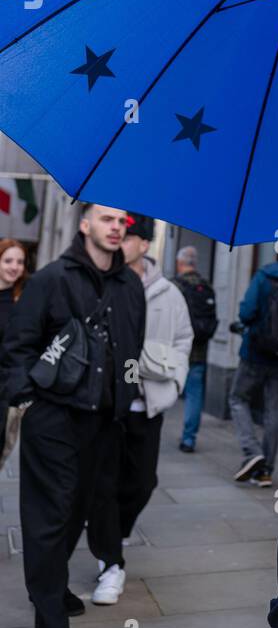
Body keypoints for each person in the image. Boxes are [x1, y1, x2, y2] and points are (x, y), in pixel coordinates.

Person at [0, 204, 145, 628]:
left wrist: (127, 400)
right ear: (84, 225)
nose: (116, 226)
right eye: (106, 219)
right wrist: (30, 397)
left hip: (104, 422)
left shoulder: (131, 286)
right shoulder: (50, 279)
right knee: (48, 515)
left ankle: (52, 585)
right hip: (54, 419)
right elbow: (17, 348)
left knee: (78, 510)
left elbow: (131, 351)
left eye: (121, 221)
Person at [87, 215, 193, 598]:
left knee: (142, 482)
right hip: (106, 404)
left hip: (146, 404)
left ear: (144, 244)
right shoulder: (101, 283)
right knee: (104, 484)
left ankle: (113, 530)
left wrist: (173, 377)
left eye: (129, 235)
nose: (120, 238)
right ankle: (111, 563)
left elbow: (184, 340)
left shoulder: (169, 293)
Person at [229, 241, 278, 489]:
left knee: (238, 399)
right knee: (274, 412)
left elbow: (246, 313)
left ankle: (252, 453)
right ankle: (265, 472)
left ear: (276, 255)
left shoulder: (263, 277)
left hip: (255, 353)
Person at [173, 245, 218, 453]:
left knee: (161, 389)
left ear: (179, 263)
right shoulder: (206, 285)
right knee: (194, 394)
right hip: (199, 350)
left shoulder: (175, 286)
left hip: (175, 351)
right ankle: (189, 438)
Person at [0, 239, 29, 465]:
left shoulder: (24, 299)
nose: (14, 267)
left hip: (6, 391)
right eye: (8, 260)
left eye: (20, 262)